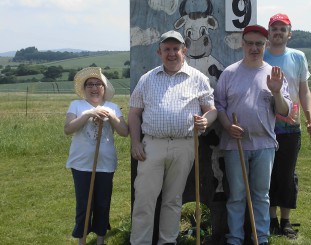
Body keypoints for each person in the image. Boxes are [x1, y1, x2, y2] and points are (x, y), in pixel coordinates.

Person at [128, 30, 217, 245]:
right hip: (152, 146)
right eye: (166, 49)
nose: (171, 53)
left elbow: (212, 110)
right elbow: (134, 113)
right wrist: (135, 142)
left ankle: (167, 241)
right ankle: (140, 242)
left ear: (183, 51)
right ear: (159, 52)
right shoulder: (147, 79)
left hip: (184, 145)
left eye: (175, 49)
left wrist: (207, 120)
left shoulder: (198, 79)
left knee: (173, 199)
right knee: (144, 199)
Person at [214, 25, 292, 245]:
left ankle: (261, 238)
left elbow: (284, 111)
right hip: (234, 143)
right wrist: (228, 126)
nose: (254, 47)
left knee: (261, 195)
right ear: (242, 44)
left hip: (264, 144)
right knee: (237, 195)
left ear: (265, 45)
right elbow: (218, 105)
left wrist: (276, 91)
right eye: (250, 43)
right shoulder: (229, 73)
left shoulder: (273, 73)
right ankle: (235, 238)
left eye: (259, 43)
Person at [264, 13, 311, 239]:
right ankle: (271, 219)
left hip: (291, 126)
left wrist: (310, 118)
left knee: (286, 173)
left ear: (289, 34)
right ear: (269, 32)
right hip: (265, 125)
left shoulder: (298, 57)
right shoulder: (261, 55)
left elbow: (304, 90)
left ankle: (285, 221)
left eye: (282, 29)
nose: (278, 32)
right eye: (274, 28)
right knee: (266, 174)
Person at [64, 67, 128, 245]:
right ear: (84, 88)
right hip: (81, 163)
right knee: (84, 204)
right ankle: (82, 240)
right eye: (90, 84)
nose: (94, 88)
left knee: (102, 203)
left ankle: (101, 240)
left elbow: (124, 132)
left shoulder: (113, 107)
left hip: (106, 164)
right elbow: (68, 129)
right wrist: (88, 114)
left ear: (104, 88)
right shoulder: (76, 105)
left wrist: (112, 117)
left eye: (98, 84)